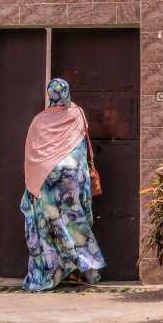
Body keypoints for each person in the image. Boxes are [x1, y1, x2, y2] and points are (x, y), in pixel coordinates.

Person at [20, 78, 106, 291]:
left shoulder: (39, 120)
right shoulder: (77, 114)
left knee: (50, 227)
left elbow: (32, 154)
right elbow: (83, 148)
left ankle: (52, 273)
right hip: (72, 181)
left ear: (50, 94)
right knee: (76, 223)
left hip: (45, 182)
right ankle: (89, 270)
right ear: (67, 92)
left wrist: (33, 183)